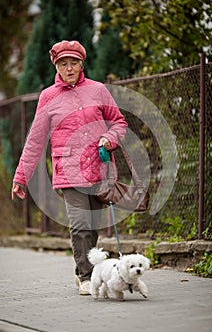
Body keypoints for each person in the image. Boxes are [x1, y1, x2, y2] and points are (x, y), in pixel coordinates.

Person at [11, 40, 128, 295]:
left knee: (93, 226)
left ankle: (81, 271)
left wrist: (110, 139)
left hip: (98, 168)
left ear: (81, 63)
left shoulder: (98, 90)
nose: (69, 68)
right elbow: (35, 140)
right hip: (68, 171)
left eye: (73, 62)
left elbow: (119, 122)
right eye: (63, 63)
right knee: (79, 224)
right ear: (57, 66)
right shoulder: (48, 97)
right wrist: (21, 177)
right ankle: (86, 277)